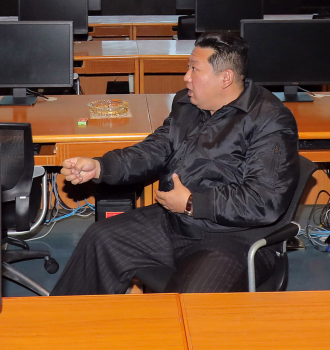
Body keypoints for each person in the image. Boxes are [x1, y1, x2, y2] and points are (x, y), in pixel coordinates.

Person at [51, 32, 299, 295]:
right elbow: (154, 150)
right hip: (176, 221)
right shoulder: (188, 104)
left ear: (225, 77)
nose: (186, 77)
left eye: (194, 68)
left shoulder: (270, 121)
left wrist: (193, 203)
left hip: (233, 238)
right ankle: (67, 332)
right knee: (99, 239)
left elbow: (264, 200)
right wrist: (101, 167)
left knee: (186, 304)